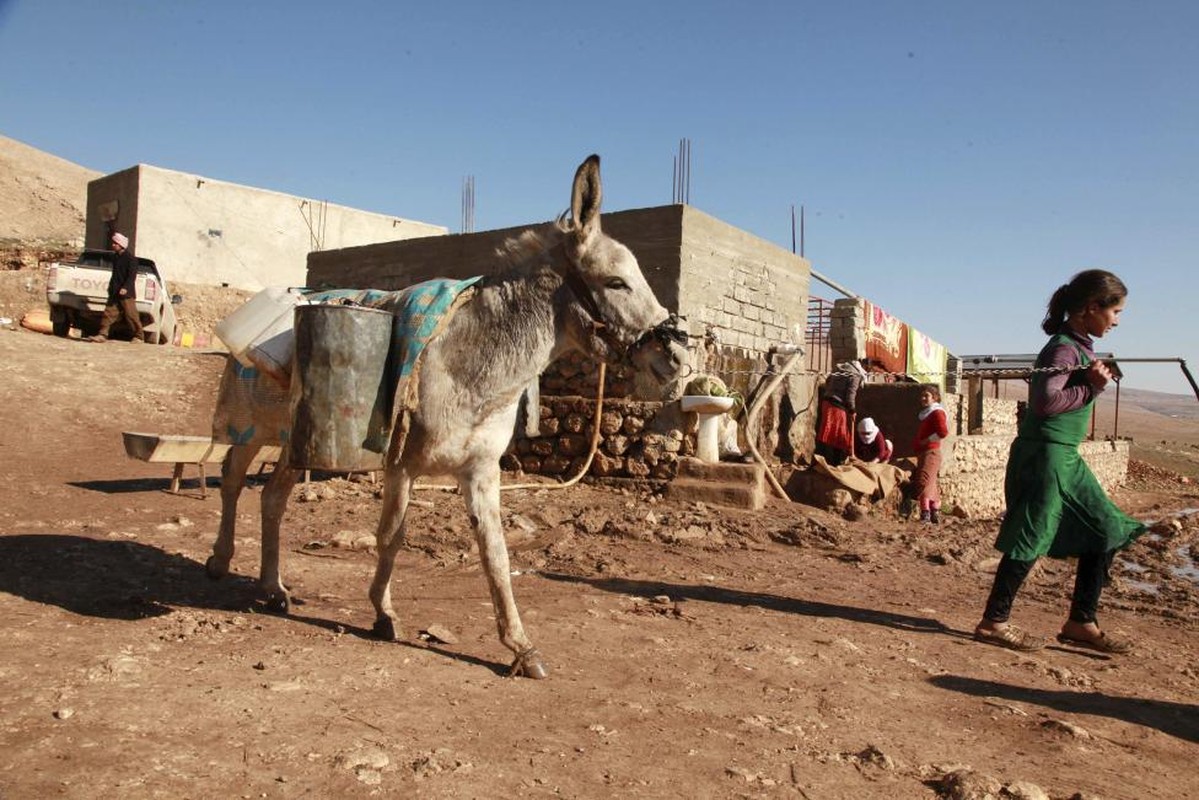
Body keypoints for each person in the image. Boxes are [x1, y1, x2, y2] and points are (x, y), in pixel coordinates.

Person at [973, 269, 1144, 654]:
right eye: (1115, 312)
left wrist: (1090, 379)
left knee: (1106, 529)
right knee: (1030, 533)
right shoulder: (1063, 348)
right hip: (1045, 454)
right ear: (1091, 308)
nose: (1117, 321)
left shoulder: (1080, 349)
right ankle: (994, 622)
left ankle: (1081, 621)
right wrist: (1091, 386)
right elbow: (1045, 403)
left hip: (1065, 456)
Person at [88, 232, 144, 343]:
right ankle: (102, 335)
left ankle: (139, 336)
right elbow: (115, 275)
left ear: (121, 245)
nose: (113, 245)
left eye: (115, 243)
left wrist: (126, 288)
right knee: (108, 314)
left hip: (126, 293)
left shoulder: (131, 259)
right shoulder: (116, 257)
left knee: (131, 315)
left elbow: (131, 276)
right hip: (114, 292)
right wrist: (111, 288)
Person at [815, 360, 867, 465]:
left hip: (826, 403)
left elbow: (828, 381)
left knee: (827, 432)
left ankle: (819, 459)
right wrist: (852, 410)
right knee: (839, 436)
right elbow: (850, 395)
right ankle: (835, 463)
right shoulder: (855, 375)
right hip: (837, 406)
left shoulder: (840, 369)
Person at [911, 383, 948, 523]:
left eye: (927, 395)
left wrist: (926, 440)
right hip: (925, 452)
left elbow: (943, 432)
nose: (923, 398)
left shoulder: (937, 413)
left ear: (935, 398)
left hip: (931, 452)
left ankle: (925, 513)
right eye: (922, 396)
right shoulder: (927, 414)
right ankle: (934, 512)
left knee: (924, 480)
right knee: (930, 482)